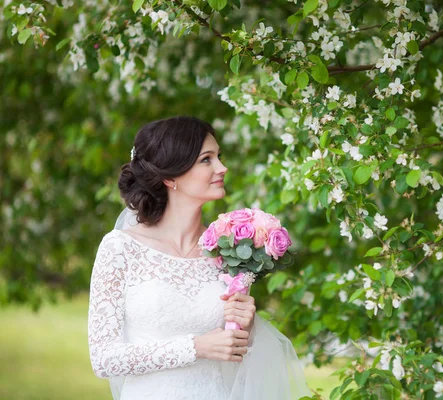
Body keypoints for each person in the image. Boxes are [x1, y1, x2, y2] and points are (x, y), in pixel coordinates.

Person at [88, 116, 309, 400]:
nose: (222, 168)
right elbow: (104, 358)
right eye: (207, 159)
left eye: (219, 157)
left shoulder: (228, 252)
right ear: (170, 177)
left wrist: (247, 328)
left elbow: (238, 358)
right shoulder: (120, 248)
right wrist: (197, 347)